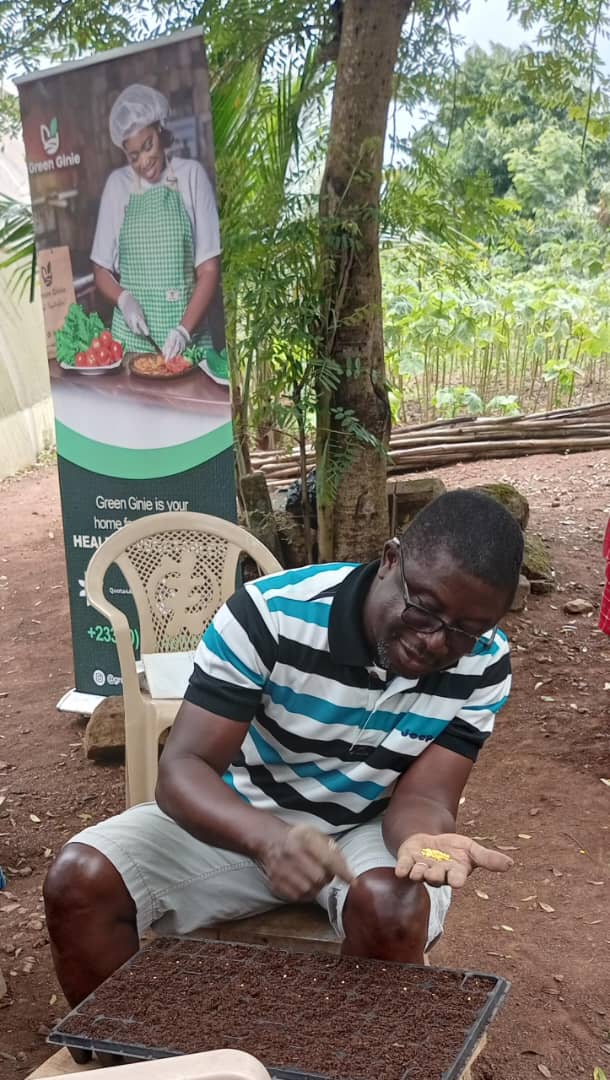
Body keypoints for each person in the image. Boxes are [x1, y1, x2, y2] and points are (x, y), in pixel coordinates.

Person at [44, 489, 523, 1013]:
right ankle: (121, 1057)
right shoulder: (270, 616)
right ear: (390, 560)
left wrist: (425, 840)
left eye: (467, 632)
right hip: (243, 819)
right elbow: (184, 769)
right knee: (80, 878)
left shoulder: (483, 664)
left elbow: (426, 796)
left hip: (365, 830)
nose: (436, 642)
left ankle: (352, 1059)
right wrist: (270, 841)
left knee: (393, 905)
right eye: (423, 610)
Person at [90, 83, 228, 384]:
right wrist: (124, 299)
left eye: (149, 145)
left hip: (188, 343)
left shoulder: (191, 176)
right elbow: (100, 269)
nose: (144, 161)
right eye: (133, 155)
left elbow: (208, 269)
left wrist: (183, 331)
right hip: (131, 346)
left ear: (161, 130)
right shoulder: (117, 186)